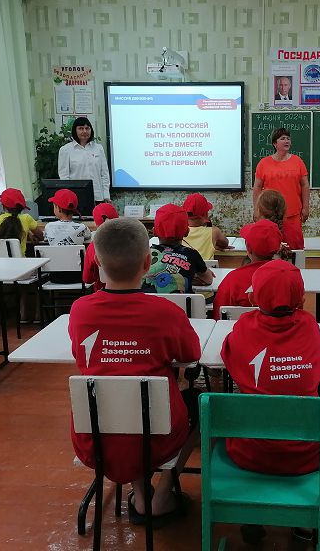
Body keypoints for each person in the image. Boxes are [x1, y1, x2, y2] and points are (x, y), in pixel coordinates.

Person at [69, 217, 200, 523]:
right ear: (147, 262)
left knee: (122, 396)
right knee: (197, 403)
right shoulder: (166, 312)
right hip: (157, 437)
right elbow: (191, 355)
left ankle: (140, 493)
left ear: (97, 262)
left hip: (95, 439)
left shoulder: (80, 310)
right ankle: (163, 494)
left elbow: (81, 355)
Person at [221, 260, 320, 544]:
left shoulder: (243, 327)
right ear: (302, 299)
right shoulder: (310, 327)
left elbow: (229, 356)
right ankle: (303, 525)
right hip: (306, 453)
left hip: (249, 451)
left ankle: (252, 515)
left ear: (253, 298)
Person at [212, 219, 282, 319]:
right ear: (278, 248)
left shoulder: (233, 279)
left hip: (239, 328)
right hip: (280, 328)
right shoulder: (288, 276)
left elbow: (219, 315)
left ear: (248, 248)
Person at [141, 204, 213, 294]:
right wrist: (189, 278)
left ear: (154, 231)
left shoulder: (143, 254)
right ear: (187, 232)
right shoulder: (192, 254)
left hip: (147, 302)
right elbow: (208, 280)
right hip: (182, 303)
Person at [252, 127, 310, 234]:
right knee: (271, 242)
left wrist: (306, 208)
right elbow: (257, 187)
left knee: (293, 242)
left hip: (293, 214)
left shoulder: (298, 161)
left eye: (288, 138)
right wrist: (256, 210)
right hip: (269, 214)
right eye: (283, 138)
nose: (287, 141)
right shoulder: (263, 163)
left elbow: (305, 185)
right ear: (275, 143)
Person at [57, 117, 111, 203]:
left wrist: (106, 195)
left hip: (97, 197)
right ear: (75, 130)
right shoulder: (65, 150)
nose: (85, 131)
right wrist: (69, 198)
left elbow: (104, 174)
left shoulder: (98, 148)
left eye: (87, 128)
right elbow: (64, 177)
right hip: (76, 198)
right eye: (81, 128)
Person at [0, 188, 43, 255]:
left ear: (3, 206)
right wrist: (28, 232)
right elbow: (41, 236)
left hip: (1, 260)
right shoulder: (26, 218)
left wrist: (28, 233)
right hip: (21, 260)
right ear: (21, 207)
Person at [83, 202, 118, 292]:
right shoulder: (130, 242)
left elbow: (87, 279)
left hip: (102, 292)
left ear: (96, 223)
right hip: (130, 293)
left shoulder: (93, 246)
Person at [182, 193, 229, 260]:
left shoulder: (179, 231)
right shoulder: (214, 232)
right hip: (206, 266)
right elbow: (225, 244)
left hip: (184, 266)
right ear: (205, 214)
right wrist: (213, 243)